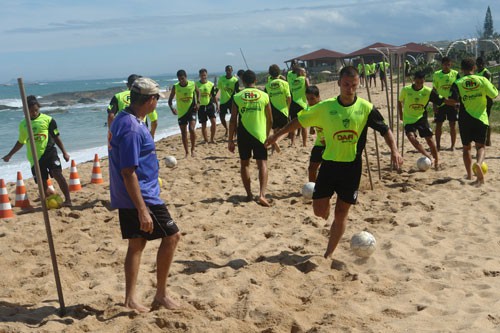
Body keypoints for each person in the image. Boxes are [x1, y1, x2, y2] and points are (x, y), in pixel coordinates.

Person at [265, 66, 403, 259]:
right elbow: (298, 121)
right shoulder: (325, 107)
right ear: (339, 83)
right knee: (319, 210)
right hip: (329, 165)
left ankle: (328, 254)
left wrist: (395, 150)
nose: (350, 88)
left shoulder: (366, 108)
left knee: (342, 213)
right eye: (346, 84)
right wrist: (276, 136)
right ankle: (325, 207)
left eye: (354, 85)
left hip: (352, 168)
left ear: (358, 84)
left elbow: (385, 129)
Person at [108, 77, 181, 312]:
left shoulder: (124, 119)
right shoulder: (130, 127)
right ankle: (160, 294)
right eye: (157, 98)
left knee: (136, 244)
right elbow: (128, 171)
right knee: (172, 236)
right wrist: (142, 210)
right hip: (142, 196)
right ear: (150, 100)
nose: (157, 102)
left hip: (133, 194)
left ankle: (129, 299)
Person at [3, 96, 72, 206]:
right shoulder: (23, 124)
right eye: (31, 111)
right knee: (42, 182)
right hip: (34, 158)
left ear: (39, 108)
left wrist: (64, 152)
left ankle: (68, 200)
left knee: (57, 174)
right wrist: (9, 155)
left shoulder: (48, 120)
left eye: (36, 110)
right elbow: (21, 141)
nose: (34, 113)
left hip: (50, 152)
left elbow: (56, 137)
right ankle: (50, 201)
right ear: (25, 110)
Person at [448, 58, 498, 185]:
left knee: (466, 148)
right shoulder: (482, 80)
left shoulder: (458, 82)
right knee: (480, 146)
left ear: (462, 69)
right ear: (474, 67)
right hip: (481, 118)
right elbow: (494, 94)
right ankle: (478, 164)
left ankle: (470, 175)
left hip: (465, 118)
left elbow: (453, 100)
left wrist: (458, 103)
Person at [228, 70, 272, 207]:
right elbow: (270, 119)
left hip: (243, 134)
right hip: (260, 134)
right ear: (255, 81)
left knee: (244, 164)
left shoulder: (237, 96)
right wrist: (267, 134)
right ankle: (262, 195)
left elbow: (233, 120)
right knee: (262, 164)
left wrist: (230, 140)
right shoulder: (264, 96)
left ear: (242, 81)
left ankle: (249, 195)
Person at [398, 71, 445, 170]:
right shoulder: (406, 90)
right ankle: (427, 156)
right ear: (414, 80)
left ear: (424, 81)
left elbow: (440, 100)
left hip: (421, 118)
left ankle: (436, 162)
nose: (419, 84)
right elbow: (399, 101)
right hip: (409, 119)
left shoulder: (428, 91)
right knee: (411, 138)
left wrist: (454, 103)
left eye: (421, 82)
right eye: (417, 82)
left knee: (430, 140)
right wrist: (401, 114)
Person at [107, 74, 158, 138]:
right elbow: (154, 121)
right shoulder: (144, 96)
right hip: (140, 129)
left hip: (123, 130)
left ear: (127, 84)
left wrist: (112, 133)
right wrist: (152, 135)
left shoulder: (118, 96)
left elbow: (110, 116)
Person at [168, 70, 200, 157]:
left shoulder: (192, 84)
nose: (181, 81)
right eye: (179, 79)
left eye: (182, 78)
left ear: (186, 77)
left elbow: (198, 92)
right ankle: (186, 152)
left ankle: (193, 149)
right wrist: (172, 109)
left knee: (192, 129)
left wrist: (198, 103)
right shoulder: (176, 87)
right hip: (181, 113)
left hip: (192, 110)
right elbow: (170, 100)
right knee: (183, 133)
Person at [432, 56, 460, 151]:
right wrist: (434, 104)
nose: (447, 66)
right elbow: (434, 90)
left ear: (451, 64)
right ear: (442, 64)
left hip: (452, 104)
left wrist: (458, 102)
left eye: (448, 64)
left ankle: (453, 146)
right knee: (439, 124)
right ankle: (438, 145)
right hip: (441, 103)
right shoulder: (437, 74)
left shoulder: (455, 74)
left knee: (452, 124)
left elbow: (459, 89)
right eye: (445, 64)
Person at [264, 64, 291, 152]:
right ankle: (277, 140)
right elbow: (289, 98)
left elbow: (266, 99)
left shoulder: (267, 85)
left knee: (275, 130)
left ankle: (273, 150)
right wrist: (288, 108)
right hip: (283, 109)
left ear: (269, 74)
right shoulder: (284, 83)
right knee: (286, 131)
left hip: (273, 110)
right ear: (279, 73)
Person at [305, 86, 324, 182]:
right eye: (308, 99)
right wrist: (312, 127)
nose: (310, 101)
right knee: (311, 168)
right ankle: (313, 188)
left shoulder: (325, 107)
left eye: (312, 98)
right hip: (320, 142)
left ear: (318, 97)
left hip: (332, 144)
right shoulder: (310, 107)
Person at [289, 67, 309, 146]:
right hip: (302, 104)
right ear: (300, 73)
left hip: (293, 104)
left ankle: (292, 142)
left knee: (293, 125)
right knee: (304, 125)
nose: (305, 73)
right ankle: (304, 143)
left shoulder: (292, 81)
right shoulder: (305, 79)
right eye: (304, 72)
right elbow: (309, 90)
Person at [195, 68, 217, 143]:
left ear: (206, 75)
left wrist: (217, 105)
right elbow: (193, 96)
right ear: (199, 76)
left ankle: (212, 139)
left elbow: (213, 96)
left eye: (204, 75)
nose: (203, 77)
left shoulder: (211, 84)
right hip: (201, 107)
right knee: (203, 124)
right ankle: (205, 140)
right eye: (201, 75)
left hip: (209, 105)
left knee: (213, 122)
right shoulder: (196, 84)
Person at [216, 65, 239, 136]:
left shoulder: (235, 80)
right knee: (221, 117)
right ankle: (226, 128)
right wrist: (213, 96)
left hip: (232, 101)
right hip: (223, 101)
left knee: (234, 118)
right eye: (227, 70)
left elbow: (237, 91)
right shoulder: (221, 79)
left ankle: (235, 131)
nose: (228, 71)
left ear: (232, 71)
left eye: (230, 70)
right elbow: (217, 89)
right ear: (225, 70)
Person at [476, 57, 493, 146]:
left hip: (487, 98)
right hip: (479, 98)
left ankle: (488, 140)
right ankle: (481, 138)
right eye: (478, 63)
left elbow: (486, 85)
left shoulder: (486, 73)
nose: (479, 65)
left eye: (481, 63)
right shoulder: (477, 73)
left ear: (484, 64)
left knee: (486, 119)